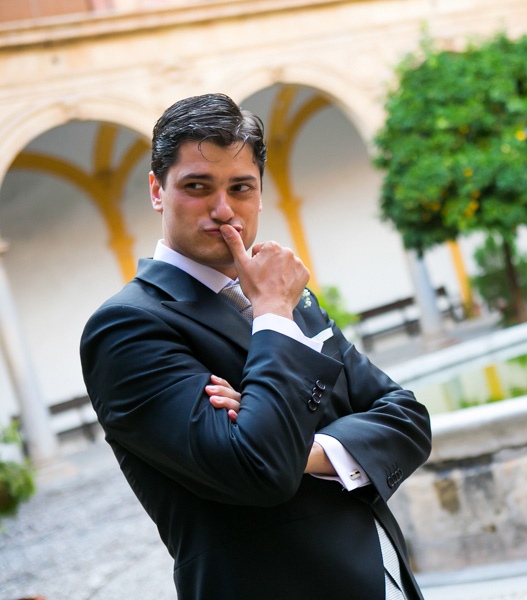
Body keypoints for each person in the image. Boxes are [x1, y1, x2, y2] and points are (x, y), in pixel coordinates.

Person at [80, 93, 432, 600]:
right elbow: (257, 471)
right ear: (158, 190)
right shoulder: (127, 328)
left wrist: (302, 450)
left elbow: (406, 417)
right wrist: (270, 314)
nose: (223, 211)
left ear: (260, 192)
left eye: (240, 187)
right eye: (197, 186)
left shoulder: (289, 295)